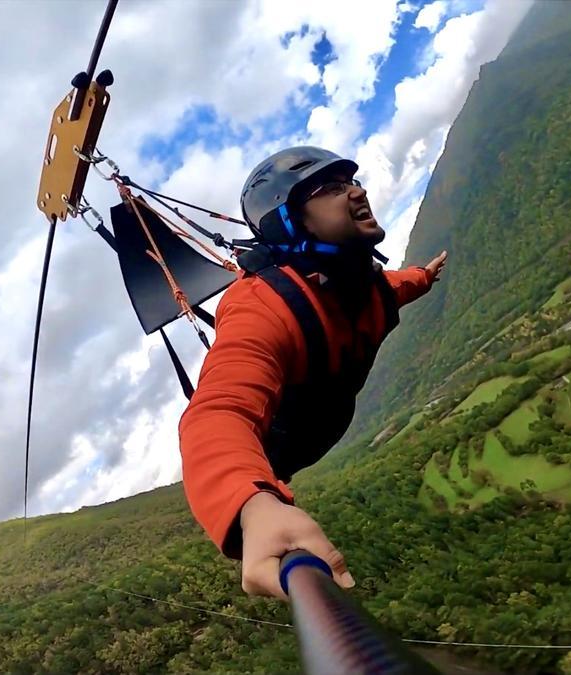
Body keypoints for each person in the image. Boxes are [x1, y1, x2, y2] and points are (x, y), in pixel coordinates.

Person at [178, 146, 447, 599]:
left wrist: (423, 275)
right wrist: (251, 503)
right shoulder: (262, 306)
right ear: (292, 221)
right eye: (333, 189)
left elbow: (390, 290)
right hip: (278, 451)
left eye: (353, 183)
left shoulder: (363, 285)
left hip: (319, 429)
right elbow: (218, 411)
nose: (358, 193)